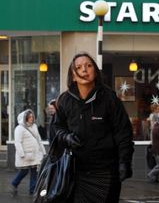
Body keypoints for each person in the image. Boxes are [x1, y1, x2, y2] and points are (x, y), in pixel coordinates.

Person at [54, 52, 134, 202]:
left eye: (89, 65)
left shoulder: (110, 98)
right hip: (76, 172)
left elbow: (123, 133)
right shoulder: (64, 100)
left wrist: (125, 162)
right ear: (73, 75)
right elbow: (56, 128)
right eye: (78, 67)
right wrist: (66, 137)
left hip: (106, 171)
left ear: (96, 72)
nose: (84, 69)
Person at [10, 109, 46, 196]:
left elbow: (38, 140)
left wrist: (43, 151)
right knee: (24, 172)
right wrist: (22, 154)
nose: (31, 118)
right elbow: (17, 142)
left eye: (32, 117)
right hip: (25, 155)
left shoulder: (34, 126)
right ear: (25, 118)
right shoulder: (19, 128)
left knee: (34, 172)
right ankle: (14, 184)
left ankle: (32, 190)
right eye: (29, 117)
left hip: (35, 154)